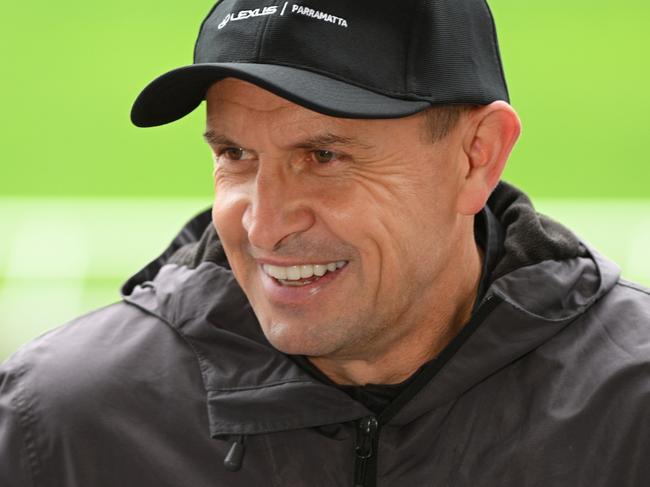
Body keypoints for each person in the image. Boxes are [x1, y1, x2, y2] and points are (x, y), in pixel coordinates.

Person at [1, 0, 649, 485]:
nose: (264, 225)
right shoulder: (58, 421)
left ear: (476, 156)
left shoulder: (631, 410)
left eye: (323, 155)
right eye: (234, 153)